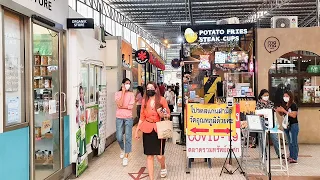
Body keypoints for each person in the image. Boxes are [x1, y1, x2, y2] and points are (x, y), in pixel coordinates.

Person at [135, 81, 170, 180]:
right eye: (148, 88)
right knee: (149, 156)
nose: (150, 89)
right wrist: (137, 130)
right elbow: (142, 117)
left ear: (156, 89)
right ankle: (151, 178)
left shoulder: (161, 100)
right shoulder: (144, 101)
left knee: (159, 156)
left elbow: (168, 114)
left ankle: (163, 166)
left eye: (152, 88)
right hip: (147, 129)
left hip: (159, 129)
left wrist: (161, 113)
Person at [256, 89, 283, 159]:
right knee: (262, 138)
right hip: (262, 121)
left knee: (275, 137)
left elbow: (273, 111)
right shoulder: (258, 103)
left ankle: (279, 153)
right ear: (261, 96)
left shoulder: (270, 103)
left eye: (267, 95)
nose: (266, 97)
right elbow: (257, 112)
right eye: (265, 95)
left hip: (271, 121)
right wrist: (264, 113)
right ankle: (264, 155)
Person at [114, 78, 135, 166]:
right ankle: (123, 148)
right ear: (122, 84)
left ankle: (126, 156)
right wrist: (122, 93)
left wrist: (122, 106)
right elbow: (119, 104)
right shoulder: (117, 94)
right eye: (126, 83)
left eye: (129, 83)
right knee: (119, 137)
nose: (128, 85)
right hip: (119, 117)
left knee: (128, 137)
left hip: (128, 118)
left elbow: (130, 107)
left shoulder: (131, 94)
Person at [276, 91, 299, 164]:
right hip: (286, 125)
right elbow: (282, 114)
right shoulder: (285, 105)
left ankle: (294, 157)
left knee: (293, 141)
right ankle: (291, 156)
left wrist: (284, 111)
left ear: (290, 97)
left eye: (287, 96)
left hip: (293, 125)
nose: (285, 98)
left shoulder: (293, 105)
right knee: (289, 142)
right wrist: (279, 111)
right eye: (284, 96)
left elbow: (294, 115)